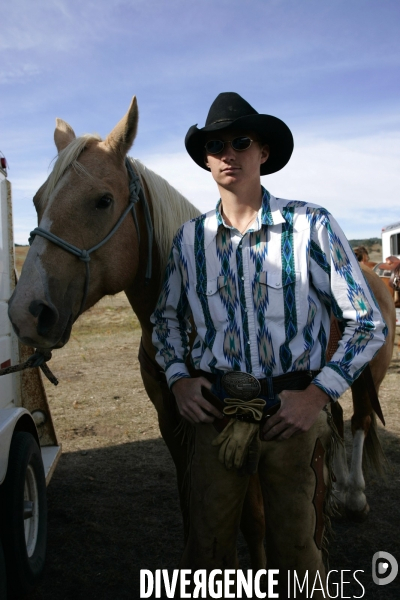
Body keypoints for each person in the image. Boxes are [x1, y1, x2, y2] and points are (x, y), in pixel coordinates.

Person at [151, 92, 387, 596]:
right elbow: (165, 321)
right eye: (215, 146)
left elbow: (367, 322)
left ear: (263, 153)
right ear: (206, 160)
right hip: (216, 412)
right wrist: (178, 380)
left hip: (290, 413)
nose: (227, 153)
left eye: (240, 141)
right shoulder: (188, 242)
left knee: (297, 552)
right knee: (206, 553)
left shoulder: (310, 227)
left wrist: (318, 395)